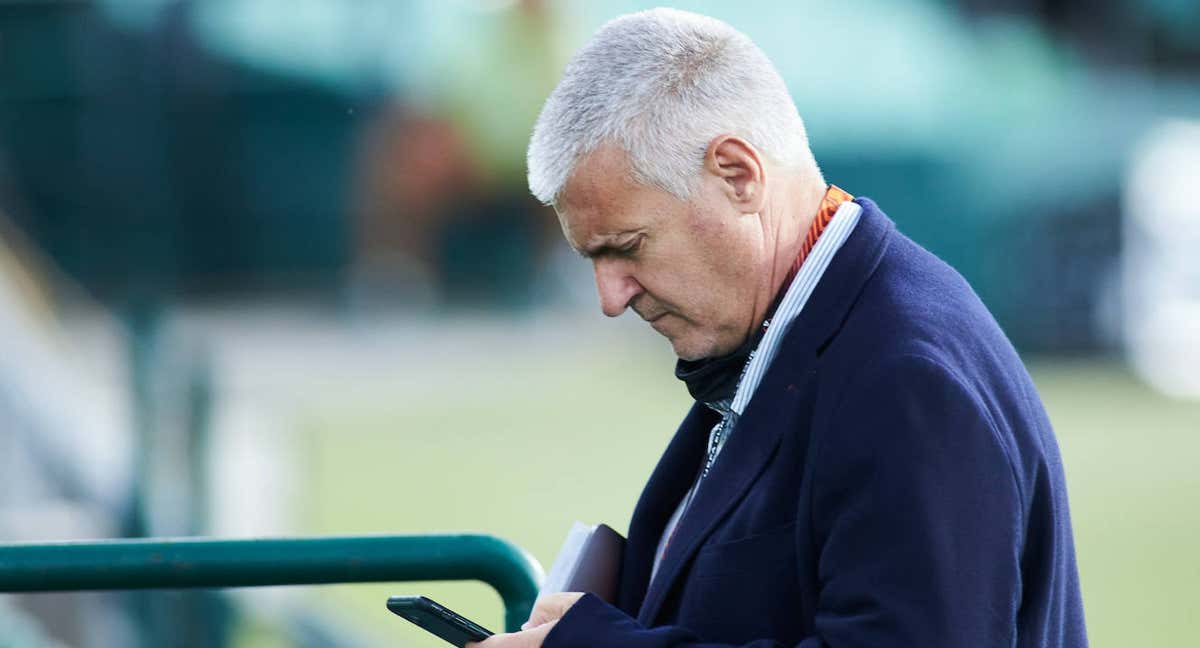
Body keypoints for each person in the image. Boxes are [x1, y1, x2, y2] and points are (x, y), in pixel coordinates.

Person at [473, 8, 1087, 648]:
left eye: (627, 247)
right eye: (593, 258)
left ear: (738, 174)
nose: (610, 296)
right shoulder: (796, 330)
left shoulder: (906, 378)